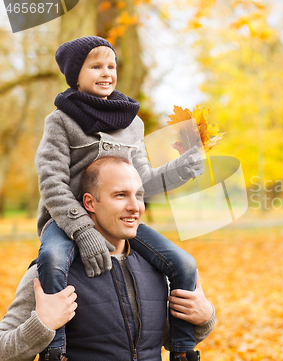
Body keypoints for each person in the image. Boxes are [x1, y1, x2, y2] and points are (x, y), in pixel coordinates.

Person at [35, 35, 205, 360]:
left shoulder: (133, 124)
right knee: (53, 261)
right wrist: (82, 231)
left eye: (111, 66)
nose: (106, 72)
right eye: (96, 66)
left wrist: (182, 169)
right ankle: (54, 351)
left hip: (117, 219)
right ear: (76, 75)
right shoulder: (60, 122)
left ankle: (183, 349)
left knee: (184, 263)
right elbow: (52, 183)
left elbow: (144, 183)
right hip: (67, 220)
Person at [0, 156, 215, 361]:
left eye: (138, 195)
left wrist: (204, 317)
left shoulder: (156, 267)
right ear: (90, 203)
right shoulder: (53, 272)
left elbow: (166, 338)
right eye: (120, 195)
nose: (135, 207)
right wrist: (42, 325)